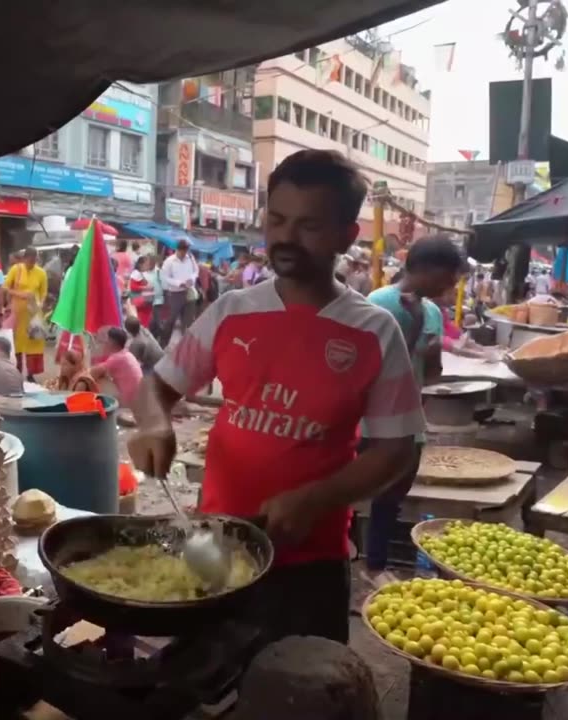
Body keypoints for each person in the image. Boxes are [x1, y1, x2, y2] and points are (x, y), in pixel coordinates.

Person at [127, 149, 423, 644]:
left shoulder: (374, 330)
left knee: (303, 692)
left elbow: (397, 450)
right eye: (278, 219)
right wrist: (154, 423)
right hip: (213, 545)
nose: (285, 237)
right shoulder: (231, 311)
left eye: (309, 225)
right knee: (205, 685)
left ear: (347, 237)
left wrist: (317, 499)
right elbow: (156, 385)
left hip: (311, 565)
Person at [361, 235, 464, 585]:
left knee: (393, 492)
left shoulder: (434, 311)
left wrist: (433, 353)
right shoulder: (378, 303)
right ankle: (352, 552)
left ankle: (375, 562)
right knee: (353, 488)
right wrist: (414, 326)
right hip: (367, 420)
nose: (450, 286)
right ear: (426, 269)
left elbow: (430, 374)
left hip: (409, 419)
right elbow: (368, 364)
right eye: (448, 278)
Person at [3, 247, 48, 381]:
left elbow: (44, 292)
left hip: (33, 315)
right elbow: (5, 288)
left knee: (33, 344)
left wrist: (41, 303)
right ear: (24, 259)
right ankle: (17, 372)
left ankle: (31, 374)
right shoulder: (16, 270)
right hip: (17, 314)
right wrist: (19, 294)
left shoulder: (41, 273)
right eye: (30, 260)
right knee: (17, 344)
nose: (32, 263)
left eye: (35, 261)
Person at [158, 239, 200, 347]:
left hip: (189, 292)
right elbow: (165, 277)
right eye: (182, 250)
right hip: (175, 294)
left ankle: (186, 346)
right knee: (170, 320)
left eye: (186, 250)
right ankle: (163, 344)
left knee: (189, 322)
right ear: (177, 249)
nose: (184, 253)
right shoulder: (169, 261)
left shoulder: (190, 258)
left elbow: (196, 271)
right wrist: (178, 283)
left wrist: (192, 279)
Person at [89, 326, 144, 408]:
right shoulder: (127, 354)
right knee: (104, 376)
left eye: (107, 339)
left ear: (111, 342)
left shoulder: (117, 358)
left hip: (128, 403)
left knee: (100, 380)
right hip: (139, 400)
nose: (105, 342)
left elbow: (92, 373)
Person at [128, 256, 157, 329]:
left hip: (144, 300)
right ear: (141, 265)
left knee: (146, 319)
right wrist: (145, 288)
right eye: (146, 264)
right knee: (143, 320)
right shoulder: (136, 274)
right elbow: (133, 287)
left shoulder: (141, 273)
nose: (148, 266)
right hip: (140, 300)